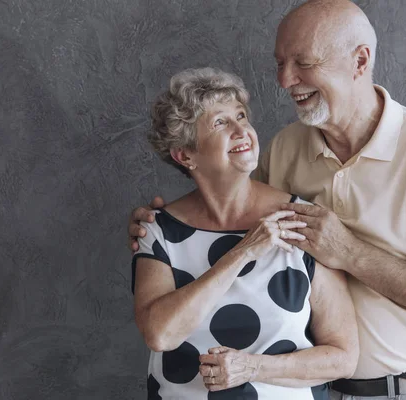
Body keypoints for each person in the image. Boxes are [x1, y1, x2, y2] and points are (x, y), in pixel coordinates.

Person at [128, 0, 406, 399]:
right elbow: (226, 208)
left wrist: (349, 252)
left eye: (303, 61)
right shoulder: (283, 150)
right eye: (280, 62)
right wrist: (158, 226)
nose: (284, 79)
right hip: (323, 390)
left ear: (360, 61)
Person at [132, 67, 358, 400]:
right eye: (220, 122)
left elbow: (343, 358)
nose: (243, 130)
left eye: (241, 116)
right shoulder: (159, 231)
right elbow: (160, 335)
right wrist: (243, 253)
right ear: (185, 154)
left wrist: (252, 367)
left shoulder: (300, 220)